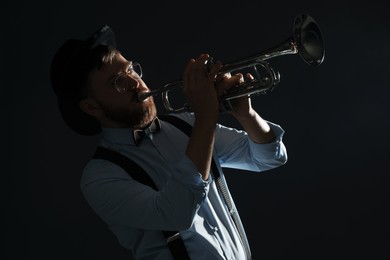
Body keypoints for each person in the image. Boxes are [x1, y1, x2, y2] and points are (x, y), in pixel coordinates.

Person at [50, 25, 288, 260]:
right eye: (117, 81)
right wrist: (206, 116)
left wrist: (246, 115)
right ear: (91, 107)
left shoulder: (184, 125)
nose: (135, 83)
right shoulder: (99, 176)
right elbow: (177, 212)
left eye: (131, 70)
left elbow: (270, 157)